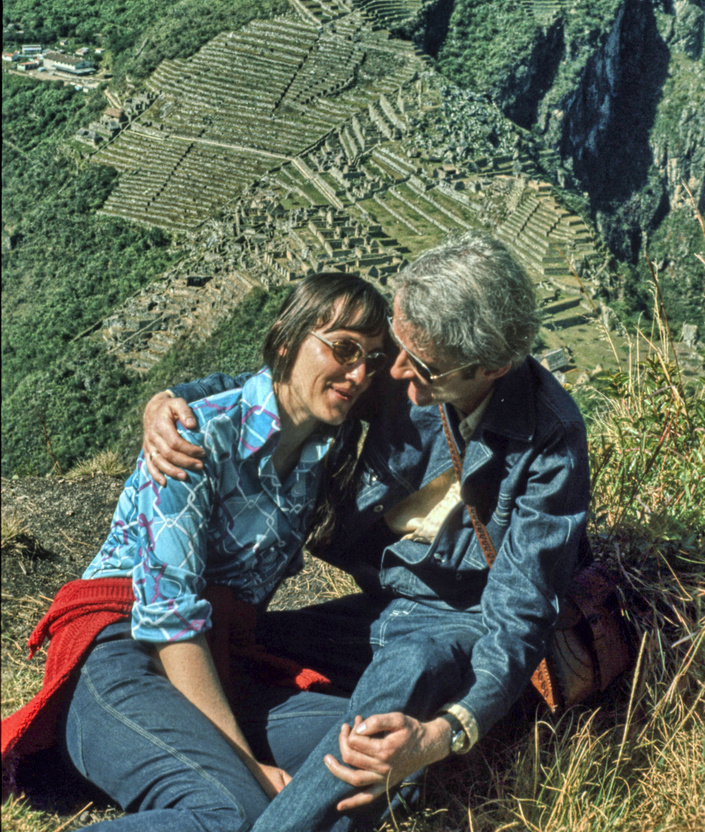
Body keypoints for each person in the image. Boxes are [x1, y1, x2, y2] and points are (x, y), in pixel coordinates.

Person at [143, 232, 591, 832]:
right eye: (397, 349)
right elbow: (283, 388)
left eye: (424, 366)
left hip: (459, 620)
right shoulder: (401, 365)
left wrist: (445, 732)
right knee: (245, 647)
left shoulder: (550, 438)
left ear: (492, 368)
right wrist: (176, 402)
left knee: (401, 682)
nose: (395, 370)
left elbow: (518, 613)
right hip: (383, 606)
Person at [1, 272, 390, 832]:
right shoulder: (194, 434)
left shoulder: (323, 456)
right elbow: (167, 619)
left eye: (372, 359)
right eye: (344, 348)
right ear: (286, 340)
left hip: (215, 663)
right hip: (123, 646)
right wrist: (248, 766)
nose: (357, 373)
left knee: (371, 758)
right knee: (232, 812)